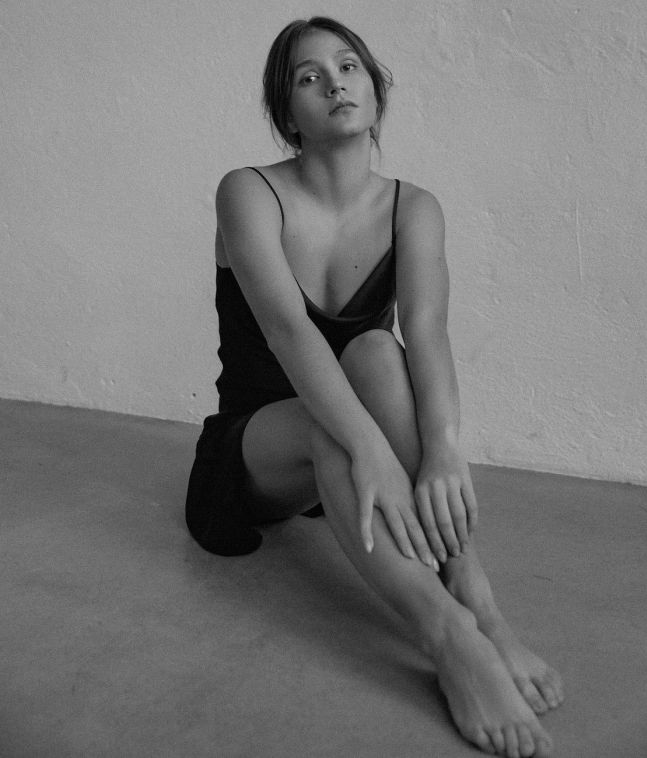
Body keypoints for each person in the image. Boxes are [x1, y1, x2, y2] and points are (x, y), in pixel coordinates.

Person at [186, 16, 563, 758]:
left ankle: (478, 601)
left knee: (377, 350)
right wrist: (371, 450)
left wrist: (444, 450)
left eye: (349, 66)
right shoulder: (247, 191)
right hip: (257, 448)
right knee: (331, 425)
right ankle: (449, 636)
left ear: (375, 90)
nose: (335, 84)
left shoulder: (413, 207)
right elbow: (289, 334)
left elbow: (427, 333)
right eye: (309, 77)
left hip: (355, 445)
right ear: (287, 113)